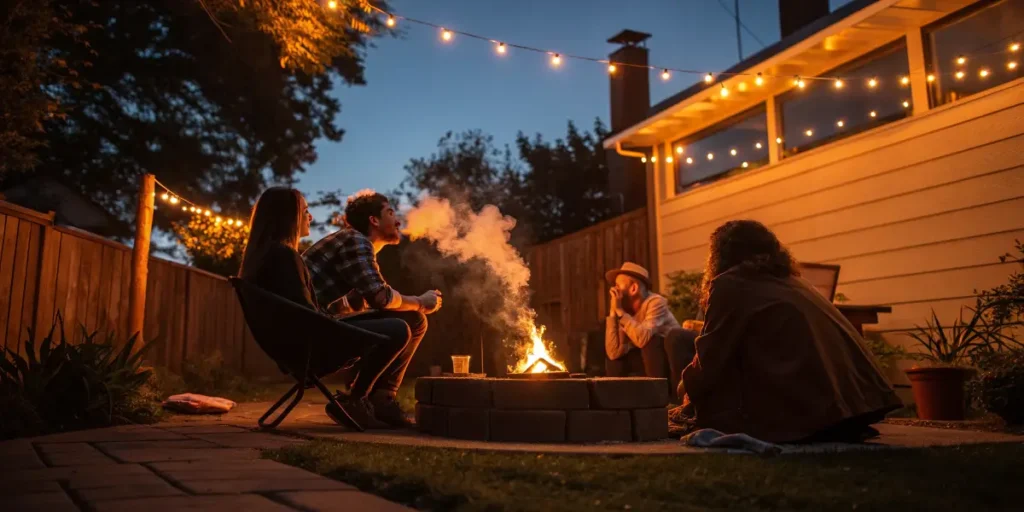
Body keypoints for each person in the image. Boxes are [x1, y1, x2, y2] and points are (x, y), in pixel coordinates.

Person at [676, 220, 902, 443]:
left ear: (720, 256)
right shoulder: (795, 283)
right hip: (850, 409)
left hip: (803, 410)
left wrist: (686, 388)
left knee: (694, 375)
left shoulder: (731, 284)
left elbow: (711, 358)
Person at [237, 187, 412, 430]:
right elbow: (307, 316)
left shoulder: (267, 257)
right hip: (309, 348)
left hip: (295, 346)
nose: (310, 217)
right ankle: (355, 400)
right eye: (305, 211)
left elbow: (300, 309)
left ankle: (374, 400)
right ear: (287, 216)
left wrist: (349, 308)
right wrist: (350, 325)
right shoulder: (284, 256)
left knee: (402, 322)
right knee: (399, 328)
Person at [303, 191, 442, 428]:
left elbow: (361, 300)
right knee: (400, 327)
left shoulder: (352, 243)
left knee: (413, 320)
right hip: (309, 338)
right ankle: (355, 400)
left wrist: (357, 303)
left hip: (310, 329)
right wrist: (420, 301)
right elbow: (381, 298)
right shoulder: (356, 241)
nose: (398, 221)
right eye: (390, 212)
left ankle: (382, 400)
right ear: (373, 220)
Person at [605, 262, 693, 396]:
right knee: (616, 361)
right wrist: (613, 313)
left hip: (669, 361)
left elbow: (643, 338)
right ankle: (616, 404)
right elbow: (613, 352)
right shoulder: (624, 311)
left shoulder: (656, 302)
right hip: (648, 361)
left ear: (633, 288)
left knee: (650, 341)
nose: (614, 291)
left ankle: (664, 398)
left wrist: (620, 312)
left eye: (618, 286)